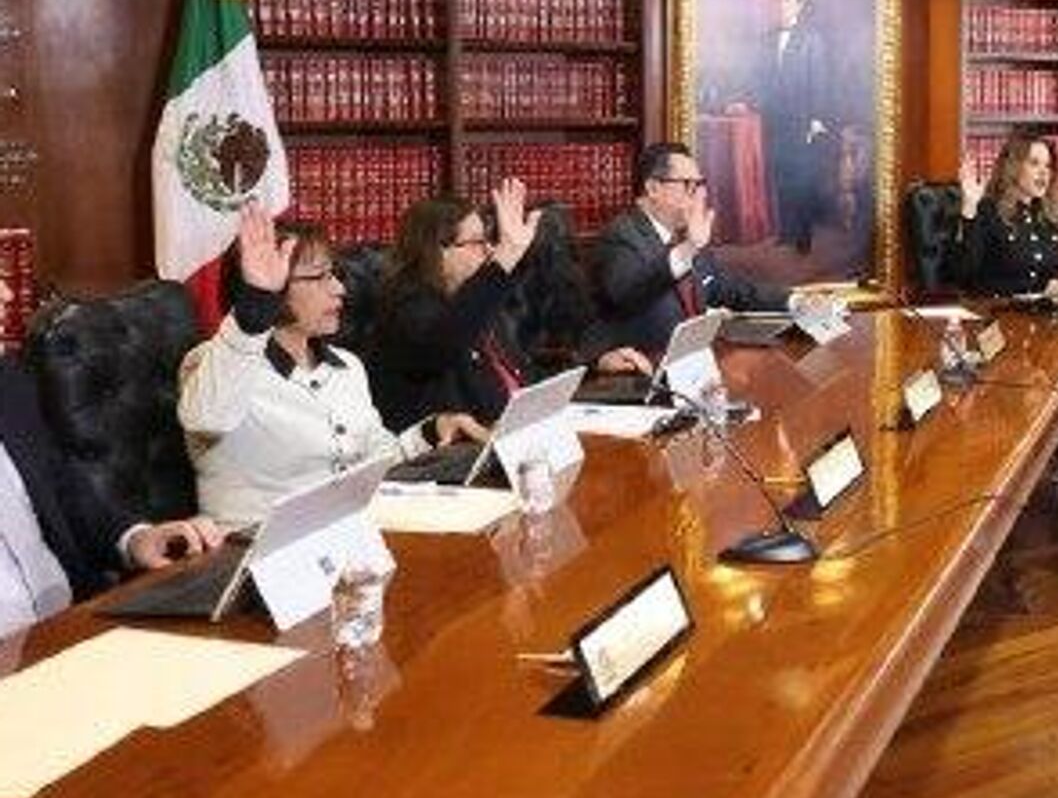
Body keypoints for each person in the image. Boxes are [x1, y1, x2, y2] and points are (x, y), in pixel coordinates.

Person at [179, 204, 486, 528]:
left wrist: (430, 431)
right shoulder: (211, 364)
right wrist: (255, 306)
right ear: (273, 288)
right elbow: (206, 417)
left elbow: (374, 461)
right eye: (320, 277)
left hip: (347, 534)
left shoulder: (347, 367)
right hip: (255, 547)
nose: (340, 289)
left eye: (334, 274)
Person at [0, 275, 222, 637]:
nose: (6, 293)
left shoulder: (8, 383)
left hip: (71, 625)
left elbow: (65, 488)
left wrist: (135, 540)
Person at [367, 177, 558, 433]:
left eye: (487, 240)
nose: (488, 250)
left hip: (518, 432)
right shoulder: (407, 308)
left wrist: (590, 365)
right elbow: (446, 344)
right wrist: (504, 258)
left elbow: (516, 374)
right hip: (454, 449)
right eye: (477, 242)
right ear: (437, 251)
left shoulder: (475, 298)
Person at [584, 141, 794, 363]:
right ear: (653, 188)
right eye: (689, 185)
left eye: (700, 185)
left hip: (692, 366)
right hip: (639, 371)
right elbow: (629, 293)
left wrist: (794, 301)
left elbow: (722, 287)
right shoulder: (621, 236)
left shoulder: (683, 236)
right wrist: (690, 248)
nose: (698, 195)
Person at [949, 134, 1058, 299]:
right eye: (1034, 163)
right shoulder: (987, 210)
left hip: (1040, 311)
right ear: (1013, 167)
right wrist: (969, 207)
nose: (1044, 172)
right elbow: (962, 274)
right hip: (996, 310)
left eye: (1048, 166)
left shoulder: (1049, 217)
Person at [759, 0, 829, 254]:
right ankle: (787, 233)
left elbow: (819, 81)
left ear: (799, 6)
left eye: (787, 1)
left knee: (803, 178)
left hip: (802, 120)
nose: (782, 6)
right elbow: (762, 80)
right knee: (781, 176)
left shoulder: (812, 39)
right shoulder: (767, 39)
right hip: (775, 121)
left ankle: (803, 236)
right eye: (779, 1)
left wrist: (816, 118)